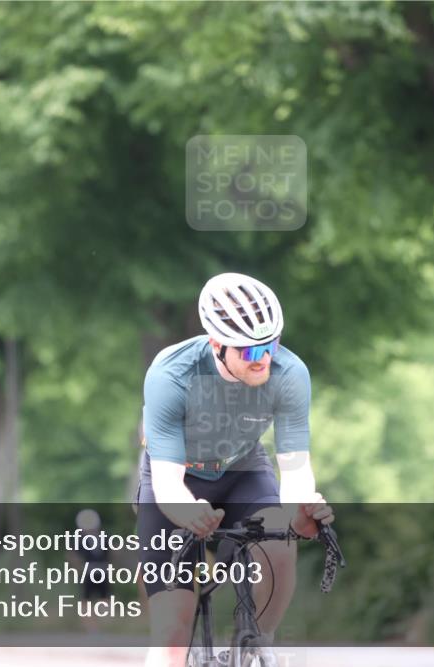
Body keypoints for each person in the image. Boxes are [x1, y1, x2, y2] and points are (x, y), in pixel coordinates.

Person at [136, 273, 333, 667]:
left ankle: (257, 643)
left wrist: (301, 509)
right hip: (176, 481)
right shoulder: (171, 374)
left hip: (243, 470)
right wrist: (188, 512)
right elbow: (168, 482)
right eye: (250, 352)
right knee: (173, 634)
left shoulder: (290, 373)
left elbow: (295, 468)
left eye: (271, 345)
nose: (264, 360)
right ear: (216, 344)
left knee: (279, 542)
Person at [73, 509, 109, 634]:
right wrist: (79, 569)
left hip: (102, 571)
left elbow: (111, 553)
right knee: (86, 601)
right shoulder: (78, 540)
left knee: (104, 600)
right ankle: (91, 628)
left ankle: (101, 626)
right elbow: (73, 556)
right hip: (88, 572)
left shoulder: (103, 537)